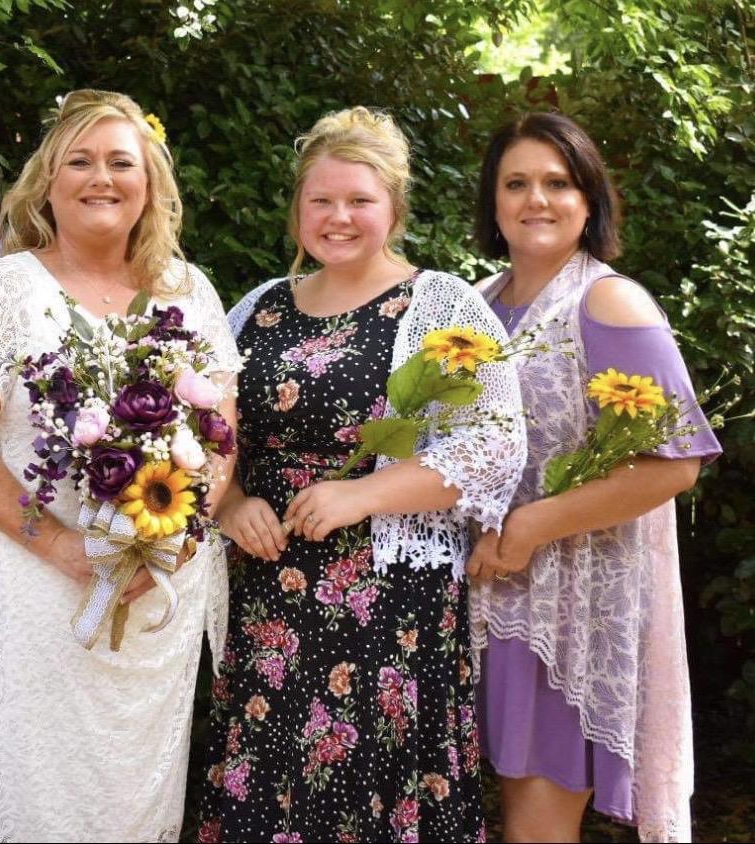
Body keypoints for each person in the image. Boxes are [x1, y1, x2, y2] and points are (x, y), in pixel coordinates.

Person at [197, 106, 525, 843]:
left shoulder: (441, 304)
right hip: (267, 594)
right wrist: (232, 503)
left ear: (395, 210)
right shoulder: (254, 310)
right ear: (297, 209)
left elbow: (496, 443)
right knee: (272, 784)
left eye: (359, 200)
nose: (338, 217)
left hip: (388, 605)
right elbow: (207, 437)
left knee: (369, 787)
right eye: (321, 199)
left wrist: (364, 494)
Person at [0, 89, 242, 841]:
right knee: (26, 779)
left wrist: (171, 542)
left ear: (150, 184)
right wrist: (64, 546)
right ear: (48, 182)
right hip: (30, 579)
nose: (102, 178)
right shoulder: (6, 288)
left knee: (130, 793)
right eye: (81, 162)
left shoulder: (189, 291)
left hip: (153, 585)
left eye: (121, 163)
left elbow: (221, 436)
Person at [467, 112, 722, 844]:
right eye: (517, 183)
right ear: (493, 201)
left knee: (537, 826)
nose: (536, 200)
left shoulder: (609, 302)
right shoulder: (476, 304)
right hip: (479, 594)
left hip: (567, 607)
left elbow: (674, 463)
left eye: (558, 183)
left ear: (589, 200)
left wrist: (530, 525)